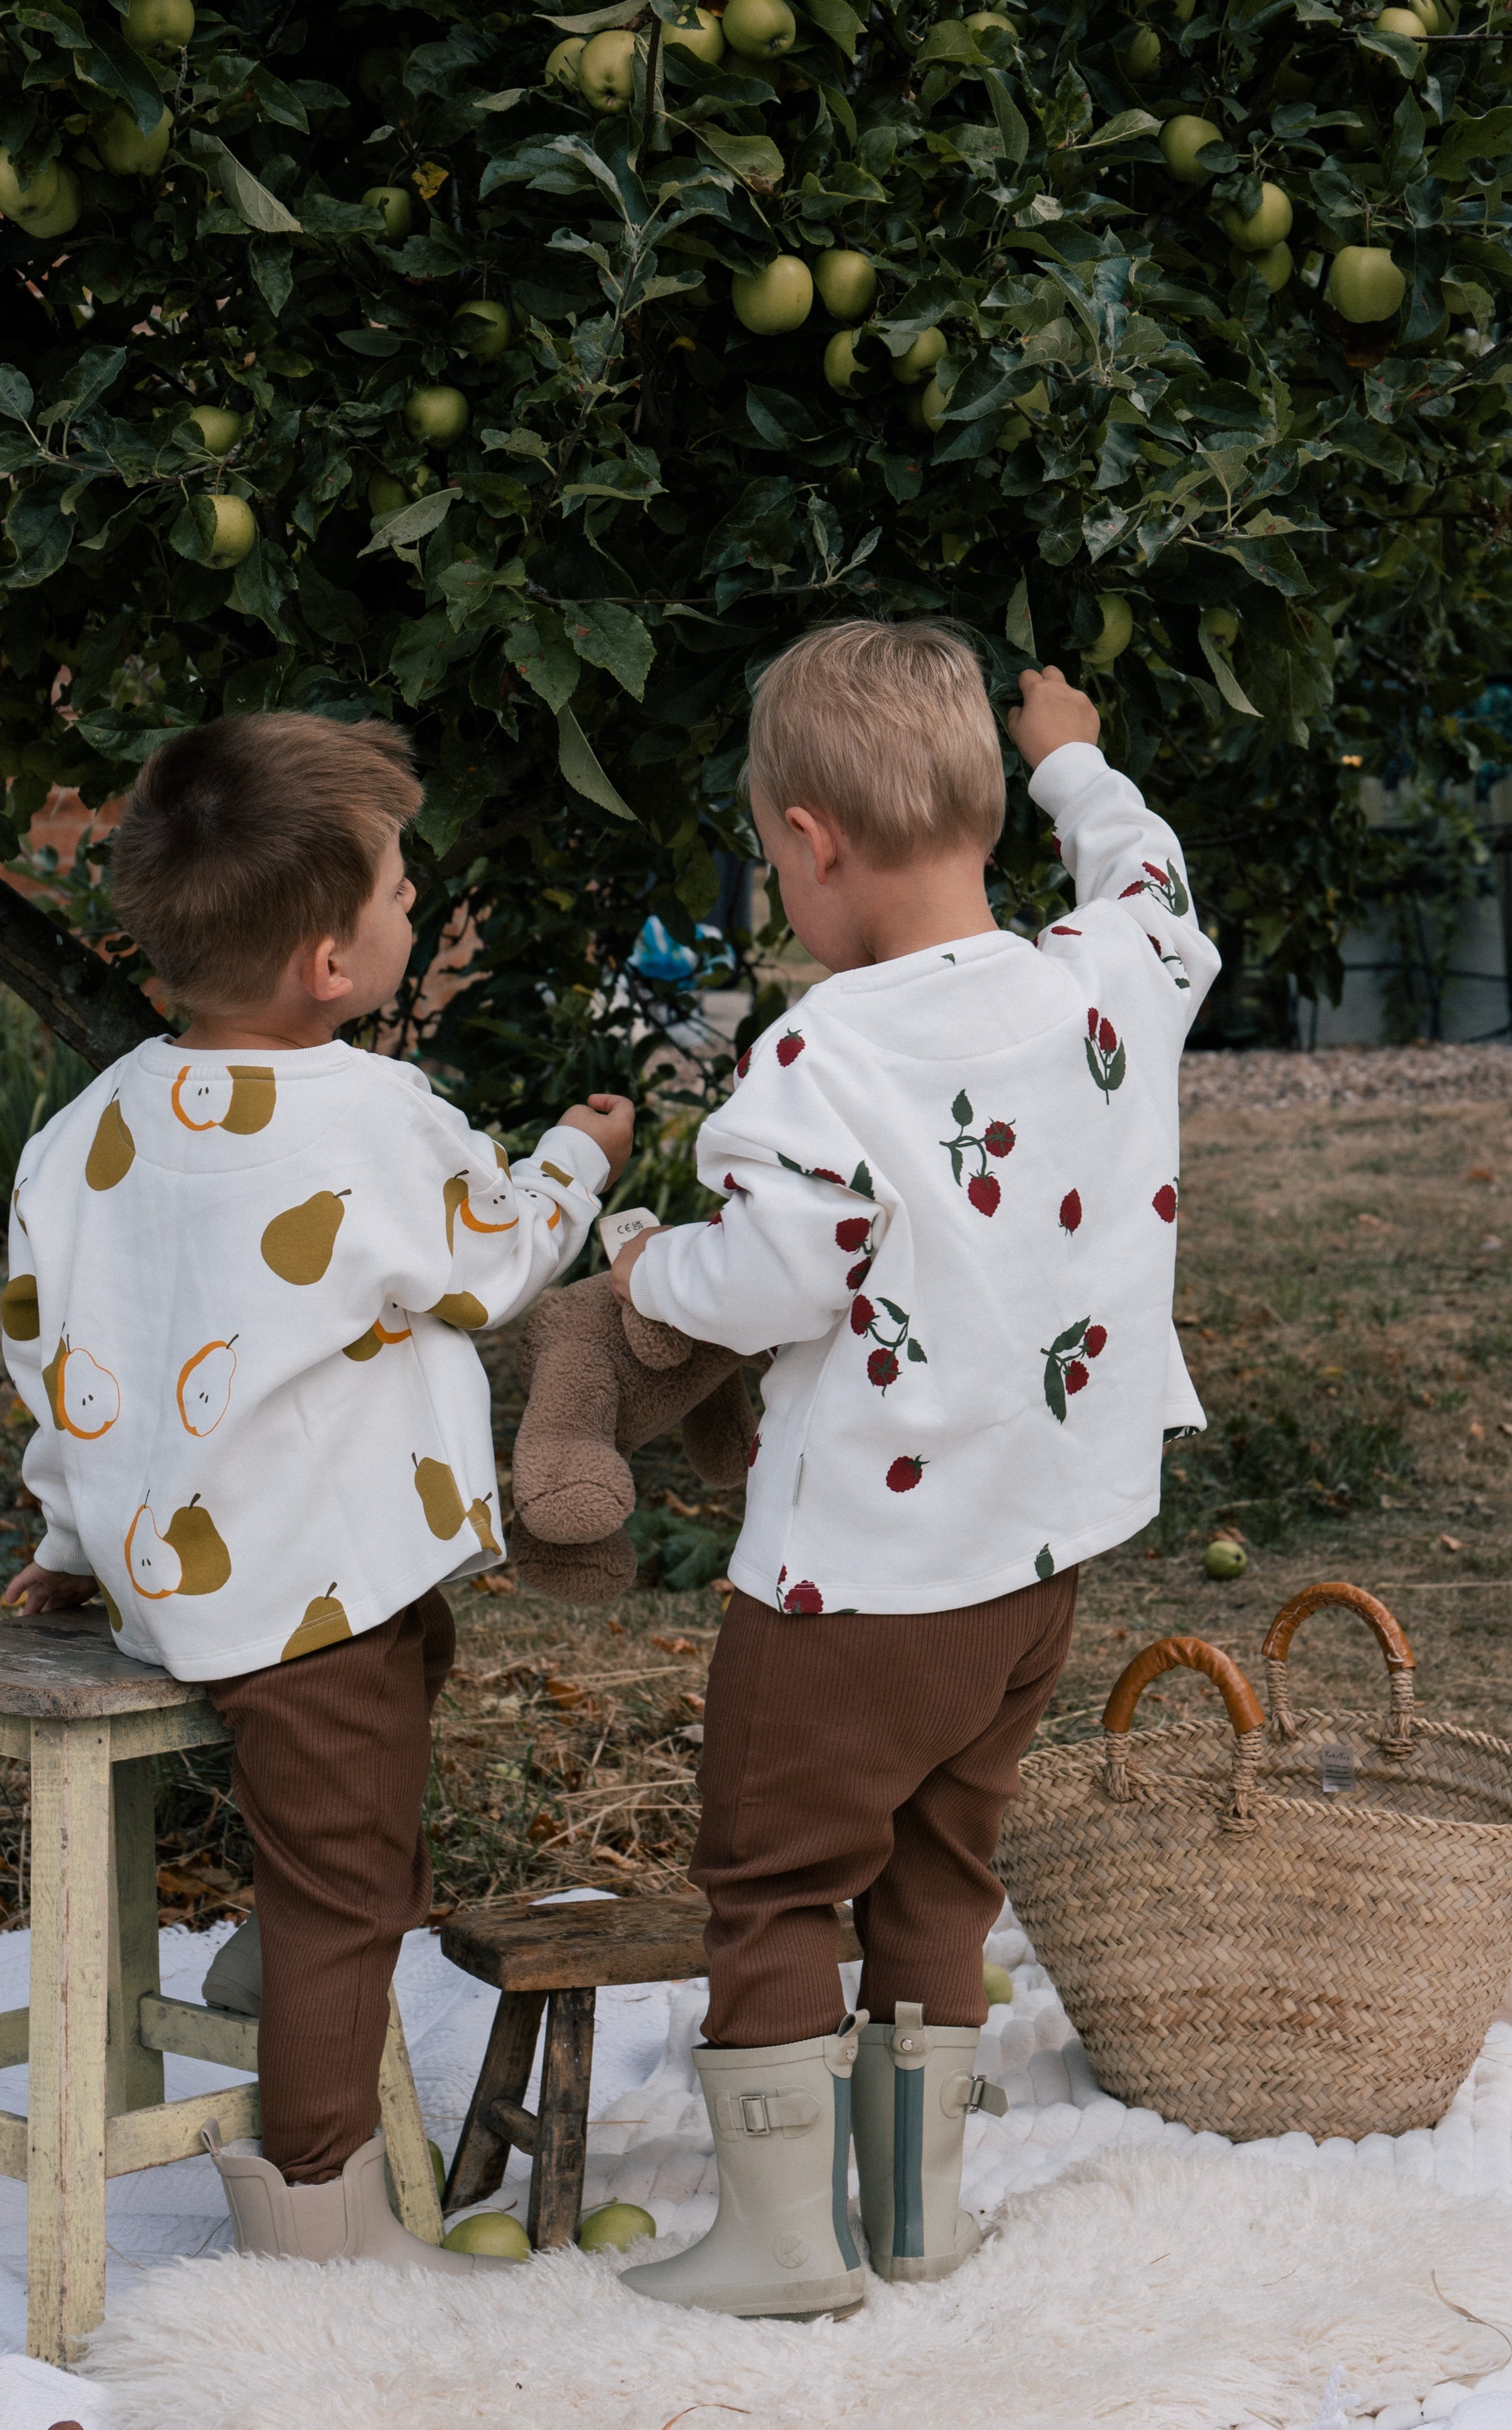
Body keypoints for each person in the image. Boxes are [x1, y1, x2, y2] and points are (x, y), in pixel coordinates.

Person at [607, 624, 1217, 2322]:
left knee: (775, 1880)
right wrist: (1073, 756)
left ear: (809, 842)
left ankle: (782, 2244)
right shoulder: (1106, 978)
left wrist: (650, 1268)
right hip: (1035, 1565)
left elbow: (778, 1275)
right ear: (986, 809)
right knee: (943, 1873)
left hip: (854, 1584)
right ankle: (919, 2213)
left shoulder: (830, 1054)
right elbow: (1154, 881)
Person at [0, 710, 633, 2273]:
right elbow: (495, 1268)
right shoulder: (371, 1117)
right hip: (312, 1594)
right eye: (403, 892)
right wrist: (578, 1155)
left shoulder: (79, 1137)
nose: (418, 906)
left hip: (183, 1575)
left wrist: (69, 1543)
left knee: (391, 1717)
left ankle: (265, 1969)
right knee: (350, 1879)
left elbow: (60, 1364)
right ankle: (318, 2227)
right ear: (331, 965)